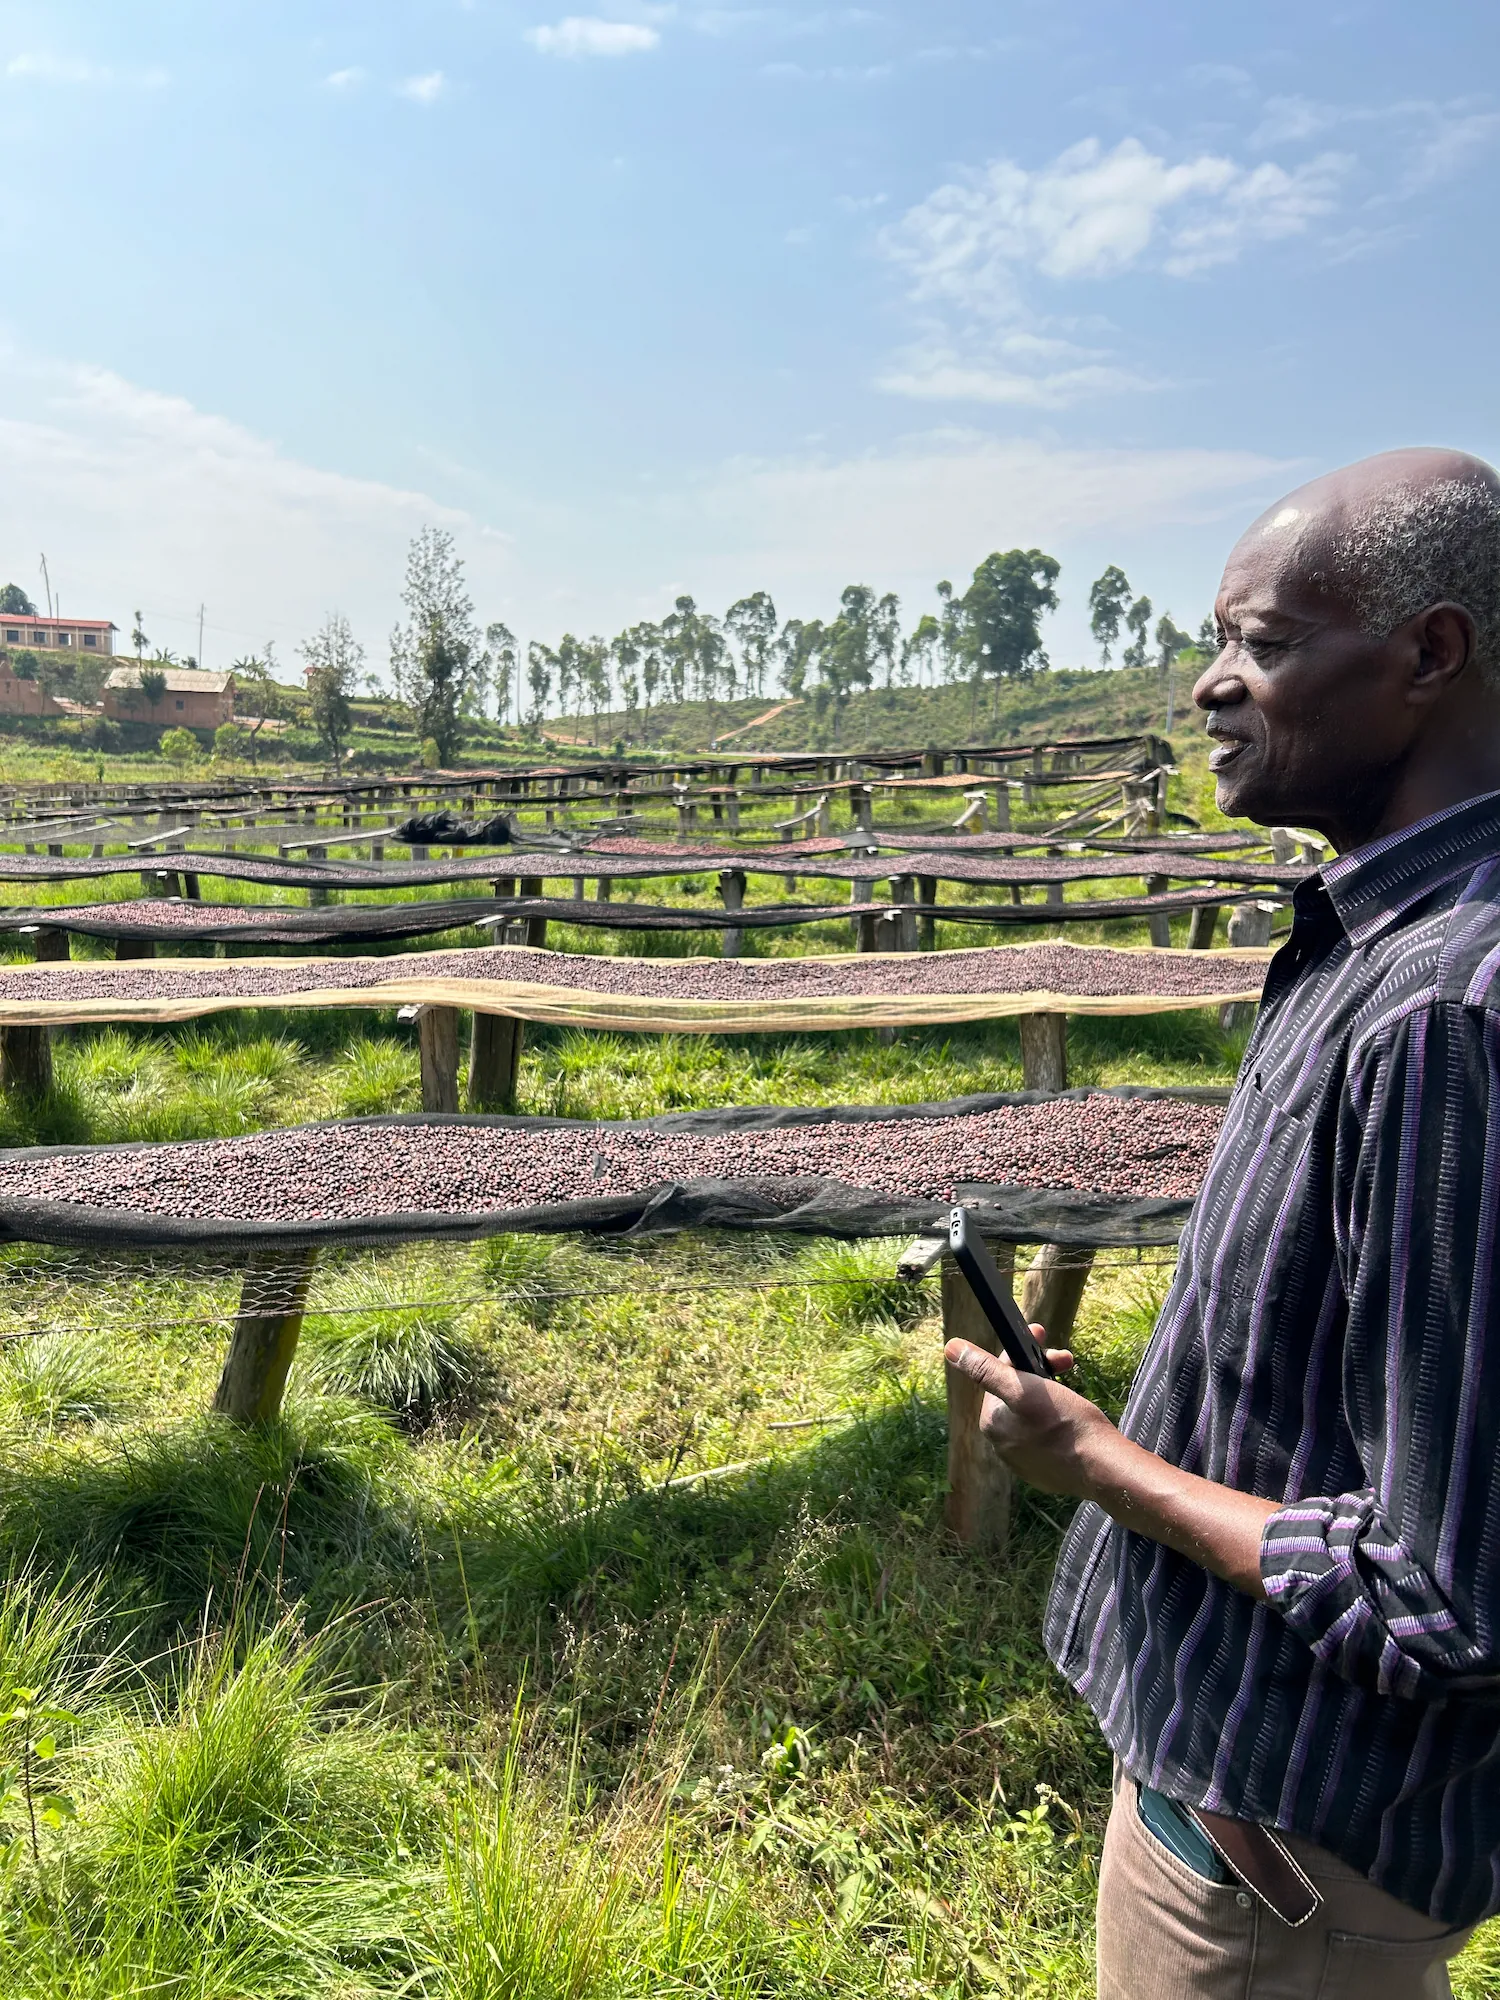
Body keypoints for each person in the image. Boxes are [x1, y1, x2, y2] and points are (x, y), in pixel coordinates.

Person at [947, 447, 1500, 1999]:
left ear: (1427, 656)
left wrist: (1100, 1467)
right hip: (1254, 1817)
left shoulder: (1446, 1008)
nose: (1211, 685)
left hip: (1277, 1873)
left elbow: (1449, 1591)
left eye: (1262, 642)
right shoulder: (1374, 938)